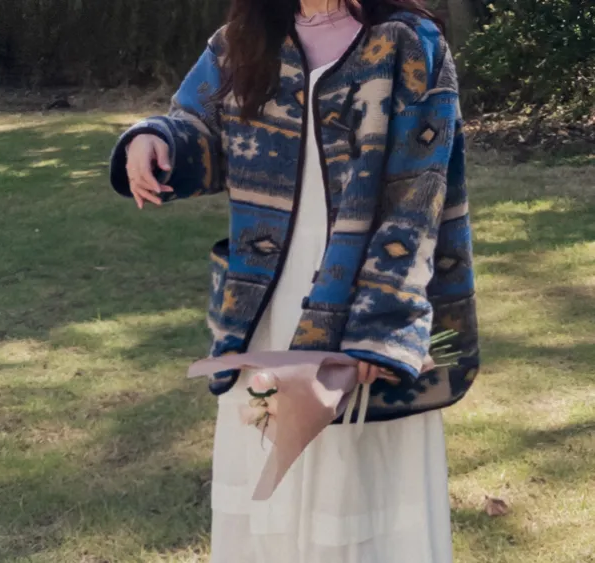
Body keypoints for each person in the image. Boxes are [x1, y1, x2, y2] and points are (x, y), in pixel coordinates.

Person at [109, 0, 480, 561]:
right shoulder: (240, 41)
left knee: (356, 483)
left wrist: (379, 330)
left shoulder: (410, 43)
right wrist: (153, 138)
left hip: (363, 303)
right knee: (267, 483)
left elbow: (417, 198)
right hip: (266, 307)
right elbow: (197, 128)